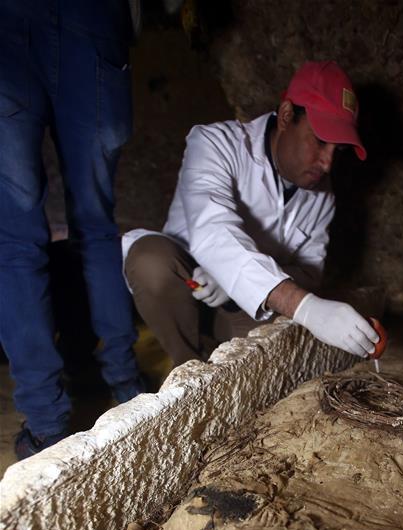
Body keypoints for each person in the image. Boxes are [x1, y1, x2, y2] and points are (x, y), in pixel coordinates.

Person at [123, 60, 379, 364]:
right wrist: (305, 307)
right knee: (150, 261)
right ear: (286, 115)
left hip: (244, 307)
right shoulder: (215, 144)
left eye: (339, 150)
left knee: (278, 359)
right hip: (186, 286)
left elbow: (309, 272)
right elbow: (212, 232)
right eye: (321, 141)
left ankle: (218, 359)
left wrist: (237, 286)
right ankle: (188, 367)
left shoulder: (322, 195)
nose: (327, 163)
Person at [0, 0, 146, 460]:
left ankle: (47, 426)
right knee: (97, 225)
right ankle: (127, 387)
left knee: (14, 243)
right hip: (93, 19)